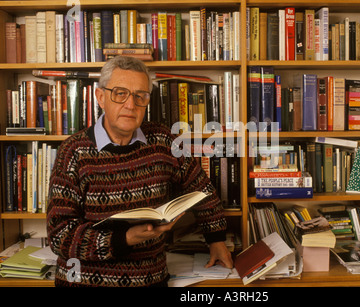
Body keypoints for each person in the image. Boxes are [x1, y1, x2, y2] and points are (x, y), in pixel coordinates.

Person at [47, 55, 233, 287]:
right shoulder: (72, 151)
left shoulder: (164, 141)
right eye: (120, 93)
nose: (130, 104)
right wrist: (124, 239)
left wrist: (215, 240)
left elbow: (202, 189)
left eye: (140, 96)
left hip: (149, 281)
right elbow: (59, 235)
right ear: (100, 97)